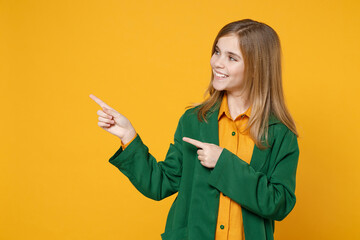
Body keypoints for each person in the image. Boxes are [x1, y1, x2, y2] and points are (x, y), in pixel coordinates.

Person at [90, 19, 299, 240]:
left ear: (258, 68)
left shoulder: (281, 134)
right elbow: (160, 184)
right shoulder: (193, 121)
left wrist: (223, 164)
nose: (217, 63)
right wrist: (128, 135)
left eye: (231, 58)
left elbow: (280, 203)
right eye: (217, 52)